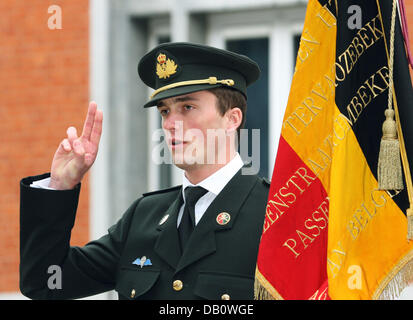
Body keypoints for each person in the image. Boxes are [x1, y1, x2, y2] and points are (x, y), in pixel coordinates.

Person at [19, 42, 269, 300]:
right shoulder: (145, 216)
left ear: (232, 119)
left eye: (187, 107)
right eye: (165, 111)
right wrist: (60, 186)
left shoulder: (273, 216)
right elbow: (46, 282)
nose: (170, 123)